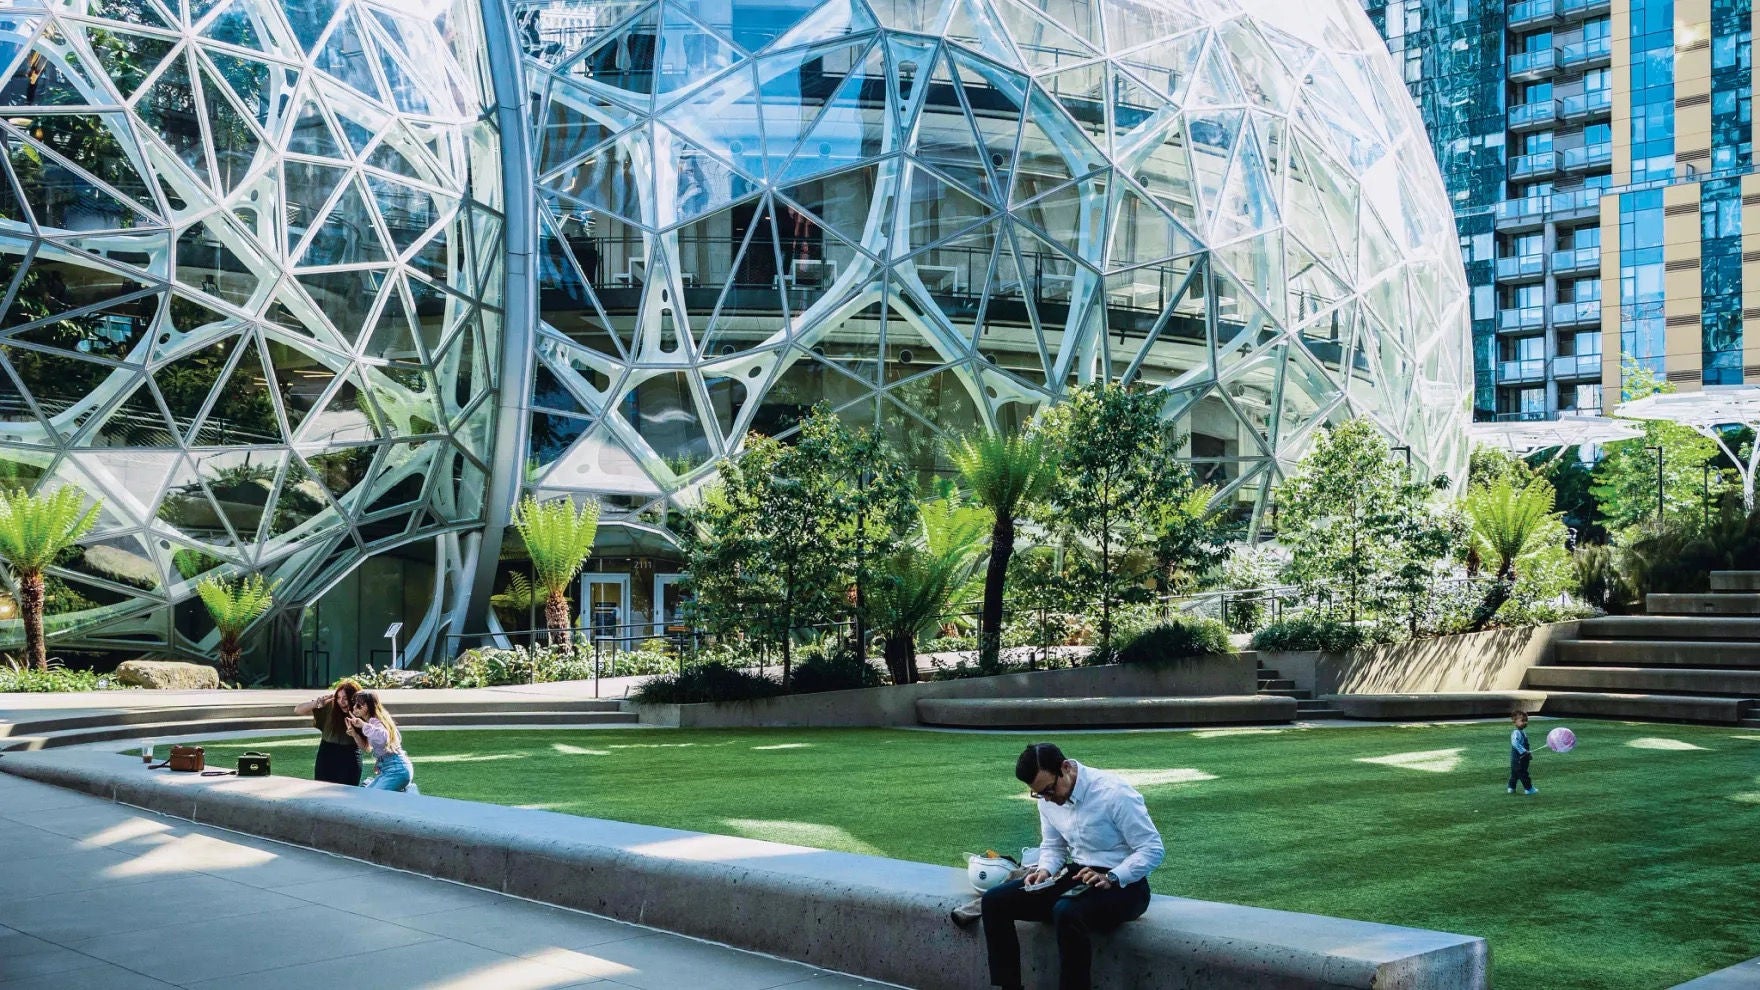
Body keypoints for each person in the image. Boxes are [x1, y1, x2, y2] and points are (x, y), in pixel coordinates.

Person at [980, 742, 1164, 990]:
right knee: (994, 901)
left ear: (1065, 768)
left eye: (1049, 790)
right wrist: (1044, 870)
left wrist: (1111, 876)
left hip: (1126, 886)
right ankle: (1008, 987)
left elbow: (1152, 849)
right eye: (1039, 794)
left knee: (1066, 911)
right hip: (1078, 875)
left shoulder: (1114, 793)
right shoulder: (1047, 799)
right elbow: (1054, 847)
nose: (1047, 799)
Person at [293, 678, 362, 786]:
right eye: (338, 697)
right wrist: (316, 703)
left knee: (348, 792)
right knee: (322, 789)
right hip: (327, 752)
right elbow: (298, 710)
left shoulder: (360, 710)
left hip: (350, 754)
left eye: (345, 698)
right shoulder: (330, 706)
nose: (341, 701)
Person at [346, 691, 414, 792]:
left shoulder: (375, 721)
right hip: (390, 769)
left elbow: (384, 737)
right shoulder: (373, 721)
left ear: (368, 706)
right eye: (354, 704)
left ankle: (408, 793)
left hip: (396, 770)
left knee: (373, 798)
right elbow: (367, 748)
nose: (354, 707)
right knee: (366, 794)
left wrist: (363, 725)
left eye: (359, 705)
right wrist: (355, 735)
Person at [1509, 709, 1537, 795]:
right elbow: (1515, 743)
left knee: (1515, 774)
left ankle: (1511, 788)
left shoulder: (1523, 732)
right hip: (1519, 759)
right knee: (1523, 774)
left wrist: (1529, 754)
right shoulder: (1516, 733)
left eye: (1526, 721)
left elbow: (1525, 745)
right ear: (1515, 722)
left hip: (1521, 758)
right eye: (1522, 721)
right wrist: (1524, 752)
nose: (1525, 722)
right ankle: (1528, 789)